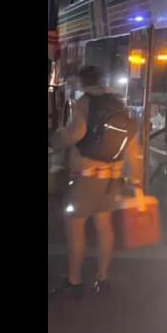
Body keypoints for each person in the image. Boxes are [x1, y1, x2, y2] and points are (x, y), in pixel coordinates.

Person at [49, 65, 135, 298]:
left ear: (81, 82)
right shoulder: (117, 102)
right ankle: (102, 278)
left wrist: (56, 138)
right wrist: (130, 177)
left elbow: (76, 133)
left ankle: (74, 282)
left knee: (75, 227)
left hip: (86, 178)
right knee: (104, 228)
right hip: (111, 178)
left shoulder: (85, 102)